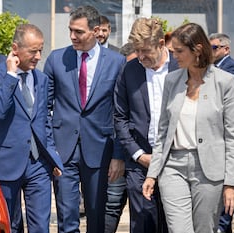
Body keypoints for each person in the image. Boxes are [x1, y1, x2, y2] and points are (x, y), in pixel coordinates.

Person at [142, 22, 234, 233]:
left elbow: (233, 137)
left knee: (205, 229)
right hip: (172, 168)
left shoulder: (225, 81)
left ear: (197, 49)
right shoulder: (172, 81)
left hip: (209, 170)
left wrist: (231, 184)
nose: (174, 56)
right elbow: (162, 133)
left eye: (179, 51)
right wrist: (152, 174)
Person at [44, 5, 126, 232]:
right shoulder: (56, 59)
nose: (72, 36)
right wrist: (51, 148)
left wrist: (118, 155)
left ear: (96, 31)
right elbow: (45, 108)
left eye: (78, 32)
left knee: (97, 214)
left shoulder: (116, 62)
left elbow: (120, 112)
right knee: (66, 214)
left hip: (100, 150)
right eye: (70, 30)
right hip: (63, 151)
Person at [0, 23, 63, 233]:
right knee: (11, 225)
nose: (38, 56)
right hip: (7, 164)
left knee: (40, 227)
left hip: (38, 165)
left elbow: (44, 120)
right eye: (32, 51)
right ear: (15, 48)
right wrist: (11, 76)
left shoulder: (42, 79)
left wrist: (52, 155)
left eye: (40, 50)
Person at [113, 17, 179, 233]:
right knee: (143, 225)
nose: (140, 56)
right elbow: (120, 118)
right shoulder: (128, 71)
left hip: (177, 161)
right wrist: (138, 154)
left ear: (161, 44)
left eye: (145, 51)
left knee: (175, 224)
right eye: (137, 50)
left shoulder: (181, 68)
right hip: (139, 163)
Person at [209, 33, 234, 233]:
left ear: (226, 49)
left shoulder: (232, 69)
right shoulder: (215, 69)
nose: (211, 51)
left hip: (232, 140)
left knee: (230, 192)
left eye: (214, 47)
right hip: (216, 139)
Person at [96, 14, 128, 233]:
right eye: (97, 29)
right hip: (98, 140)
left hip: (121, 138)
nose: (101, 34)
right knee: (106, 201)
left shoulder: (119, 56)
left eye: (105, 30)